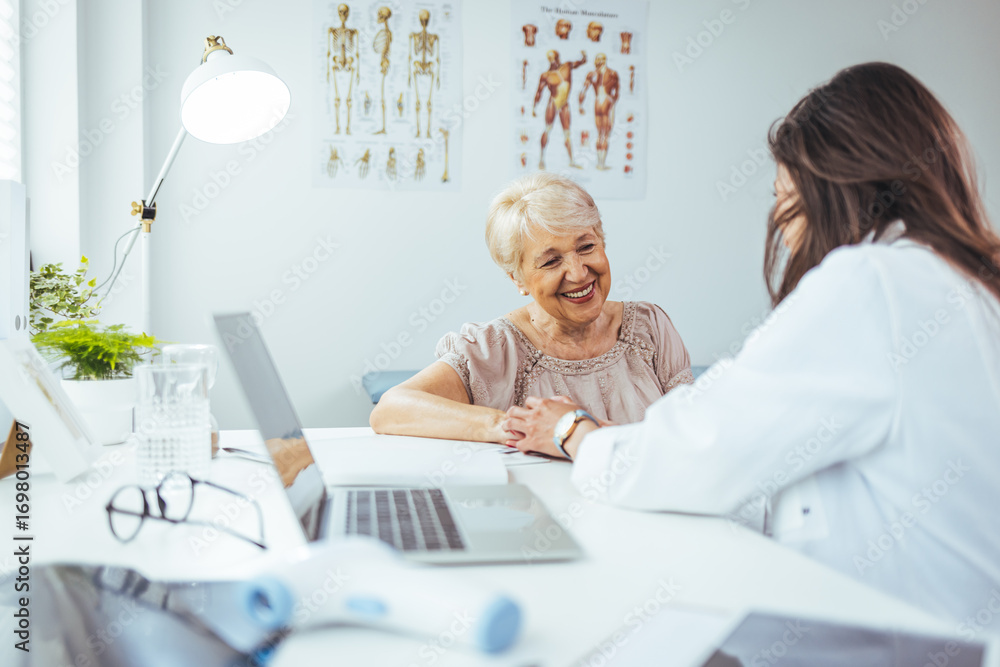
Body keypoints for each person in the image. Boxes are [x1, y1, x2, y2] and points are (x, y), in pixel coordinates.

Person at [506, 62, 1000, 623]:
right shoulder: (969, 286)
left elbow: (702, 451)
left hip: (900, 636)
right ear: (518, 278)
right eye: (550, 259)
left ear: (829, 188)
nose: (784, 226)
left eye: (785, 197)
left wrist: (576, 431)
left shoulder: (872, 283)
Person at [370, 173, 693, 444]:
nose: (579, 272)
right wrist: (512, 425)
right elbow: (391, 409)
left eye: (586, 247)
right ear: (518, 278)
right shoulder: (494, 349)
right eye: (552, 261)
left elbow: (693, 434)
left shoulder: (650, 328)